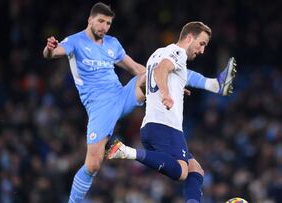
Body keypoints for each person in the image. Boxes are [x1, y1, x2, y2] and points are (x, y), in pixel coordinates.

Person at [43, 2, 234, 202]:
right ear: (90, 20)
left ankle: (214, 85)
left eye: (108, 23)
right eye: (100, 21)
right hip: (100, 106)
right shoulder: (75, 41)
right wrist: (49, 49)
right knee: (93, 164)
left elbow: (136, 68)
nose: (104, 27)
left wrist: (170, 84)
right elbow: (53, 53)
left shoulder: (112, 43)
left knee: (145, 75)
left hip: (121, 94)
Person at [106, 21, 237, 203]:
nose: (202, 50)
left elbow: (146, 81)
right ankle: (126, 151)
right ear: (190, 37)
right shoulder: (178, 53)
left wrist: (173, 87)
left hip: (152, 126)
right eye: (202, 43)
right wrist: (167, 94)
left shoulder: (157, 53)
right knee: (182, 172)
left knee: (195, 170)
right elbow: (162, 70)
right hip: (165, 126)